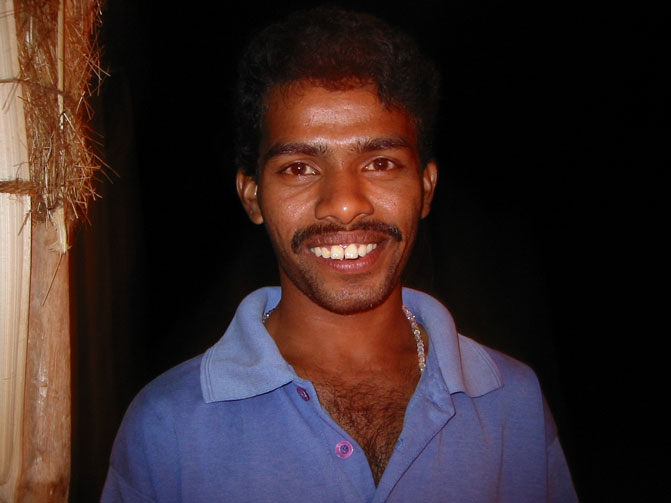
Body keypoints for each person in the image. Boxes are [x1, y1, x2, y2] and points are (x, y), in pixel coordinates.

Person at [102, 7, 577, 502]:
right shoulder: (167, 426)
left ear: (426, 187)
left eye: (380, 163)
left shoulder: (510, 403)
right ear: (252, 196)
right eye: (299, 168)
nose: (345, 204)